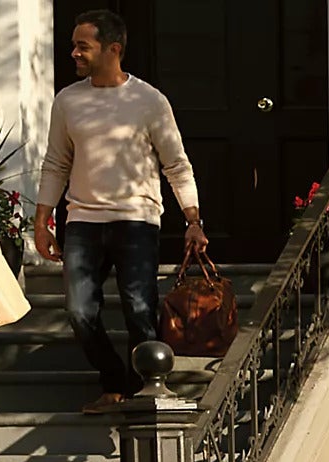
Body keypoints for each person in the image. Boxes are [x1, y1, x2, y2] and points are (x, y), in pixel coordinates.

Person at [34, 9, 207, 414]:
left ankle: (147, 389)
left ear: (112, 49)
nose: (73, 53)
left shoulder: (149, 101)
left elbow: (176, 164)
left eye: (83, 46)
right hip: (83, 222)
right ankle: (115, 382)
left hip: (136, 220)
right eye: (74, 45)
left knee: (140, 309)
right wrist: (42, 221)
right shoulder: (68, 100)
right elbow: (56, 163)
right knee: (79, 311)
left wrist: (193, 220)